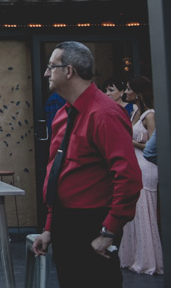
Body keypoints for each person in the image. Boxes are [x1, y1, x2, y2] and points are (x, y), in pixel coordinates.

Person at [32, 42, 142, 288]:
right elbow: (59, 172)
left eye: (51, 66)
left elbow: (128, 177)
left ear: (69, 71)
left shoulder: (105, 114)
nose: (46, 73)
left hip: (94, 222)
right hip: (64, 219)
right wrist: (50, 226)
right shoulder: (63, 114)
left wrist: (109, 231)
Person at [119, 76, 163, 274]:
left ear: (138, 92)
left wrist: (129, 142)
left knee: (145, 212)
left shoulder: (150, 115)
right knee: (135, 212)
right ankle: (134, 255)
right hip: (134, 165)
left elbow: (153, 146)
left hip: (146, 166)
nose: (125, 92)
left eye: (128, 88)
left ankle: (148, 259)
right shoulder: (136, 112)